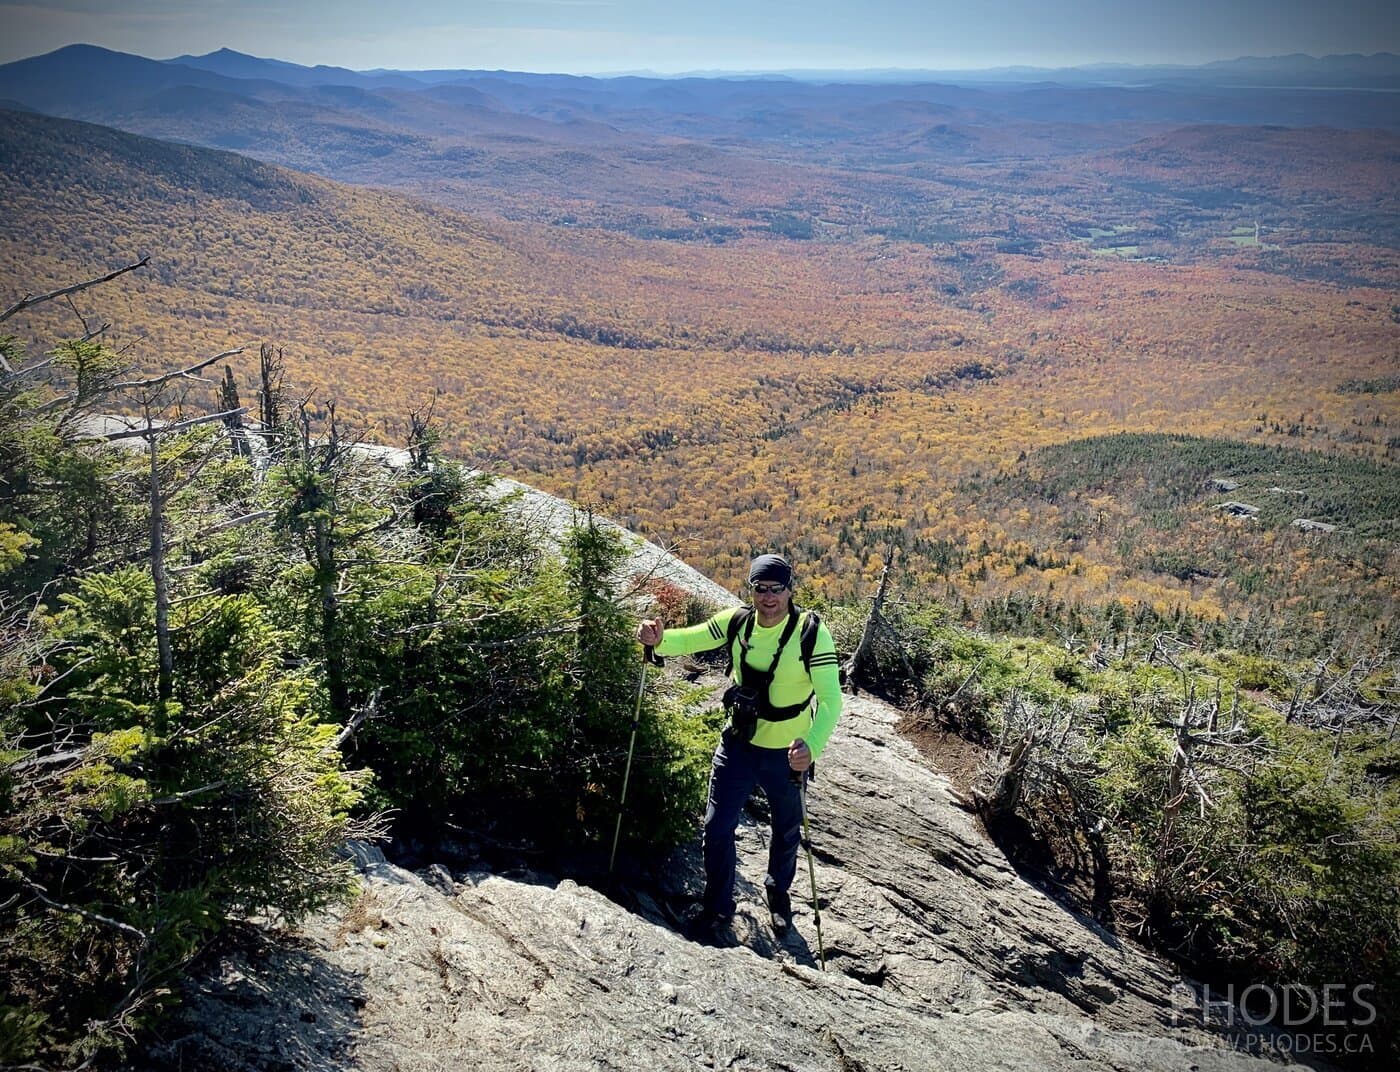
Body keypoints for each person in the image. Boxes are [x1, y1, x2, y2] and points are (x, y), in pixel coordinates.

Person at [636, 553, 843, 944]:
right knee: (717, 827)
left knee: (786, 830)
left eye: (776, 589)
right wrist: (658, 639)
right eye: (760, 589)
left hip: (787, 752)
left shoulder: (811, 632)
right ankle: (717, 908)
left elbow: (831, 700)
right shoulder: (738, 622)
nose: (768, 597)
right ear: (751, 590)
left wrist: (811, 747)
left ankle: (778, 897)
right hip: (739, 743)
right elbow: (692, 637)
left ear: (789, 590)